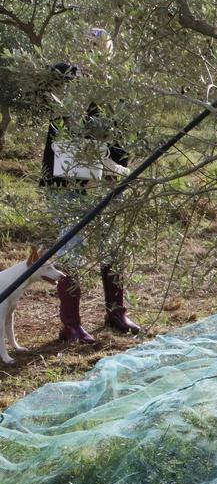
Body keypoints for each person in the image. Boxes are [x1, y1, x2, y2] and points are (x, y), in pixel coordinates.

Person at [40, 28, 141, 344]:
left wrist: (117, 173)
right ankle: (70, 325)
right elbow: (46, 85)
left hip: (101, 181)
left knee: (112, 245)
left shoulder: (116, 91)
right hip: (64, 181)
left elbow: (122, 142)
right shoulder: (67, 78)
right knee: (71, 249)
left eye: (101, 48)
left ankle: (116, 312)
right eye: (90, 48)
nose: (96, 54)